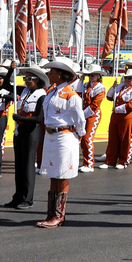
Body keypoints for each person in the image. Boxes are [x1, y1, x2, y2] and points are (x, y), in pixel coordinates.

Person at [36, 58, 85, 228]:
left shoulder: (72, 96)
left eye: (52, 72)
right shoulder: (52, 91)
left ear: (60, 74)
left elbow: (80, 120)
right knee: (53, 174)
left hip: (64, 136)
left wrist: (78, 136)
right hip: (51, 136)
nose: (49, 74)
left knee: (62, 175)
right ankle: (51, 214)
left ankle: (58, 216)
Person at [5, 66, 48, 209]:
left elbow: (39, 118)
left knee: (28, 165)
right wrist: (11, 70)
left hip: (31, 131)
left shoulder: (42, 95)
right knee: (19, 165)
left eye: (29, 79)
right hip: (20, 130)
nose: (26, 81)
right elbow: (6, 84)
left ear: (37, 80)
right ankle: (18, 196)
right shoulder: (24, 91)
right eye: (25, 78)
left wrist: (20, 117)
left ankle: (28, 199)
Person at [103, 65, 132, 169]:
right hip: (116, 117)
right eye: (126, 78)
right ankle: (110, 161)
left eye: (130, 78)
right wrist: (113, 87)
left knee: (126, 140)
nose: (127, 80)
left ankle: (123, 161)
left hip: (128, 117)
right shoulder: (120, 87)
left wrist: (118, 109)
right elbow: (109, 97)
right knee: (113, 140)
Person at [78, 65, 107, 172]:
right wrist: (81, 81)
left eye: (93, 75)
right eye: (89, 75)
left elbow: (94, 106)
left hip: (93, 115)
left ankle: (89, 164)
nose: (90, 77)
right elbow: (79, 94)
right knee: (82, 139)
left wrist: (82, 115)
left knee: (87, 139)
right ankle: (85, 162)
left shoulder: (100, 87)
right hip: (84, 114)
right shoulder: (85, 85)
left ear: (98, 76)